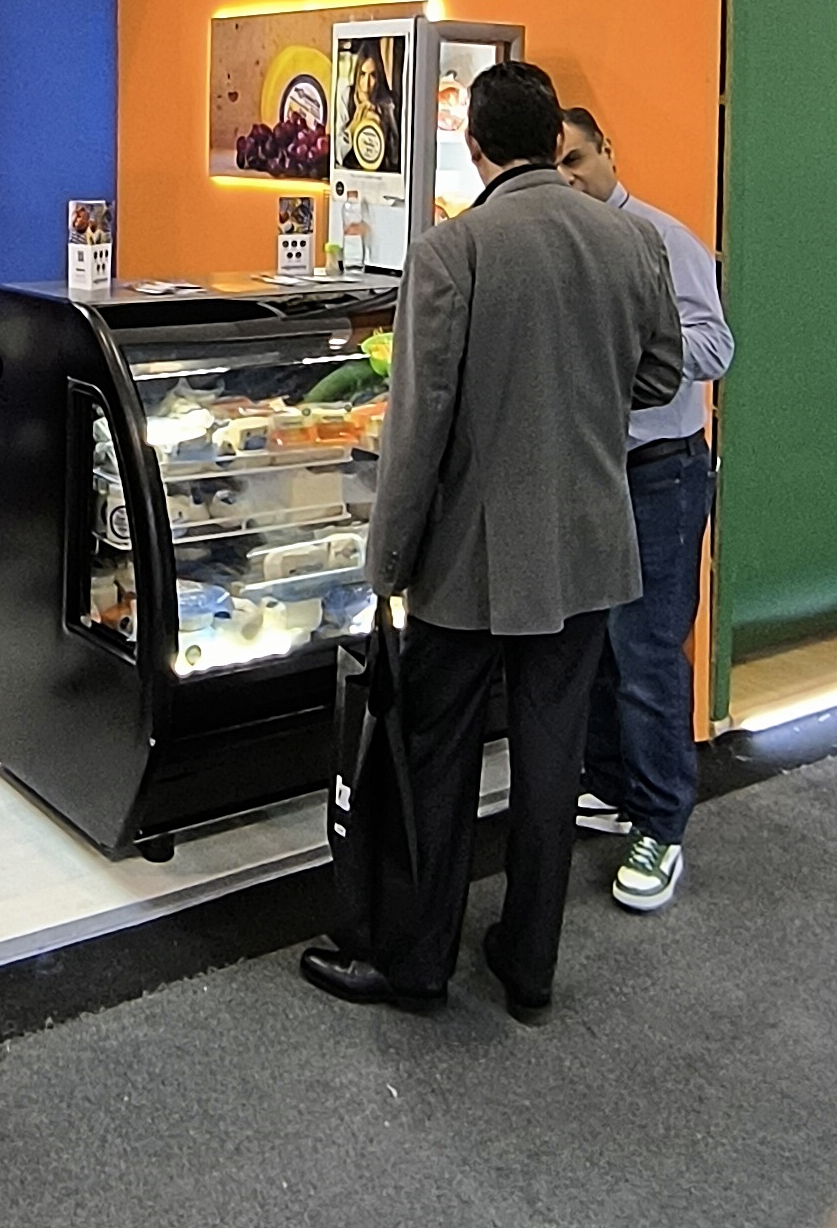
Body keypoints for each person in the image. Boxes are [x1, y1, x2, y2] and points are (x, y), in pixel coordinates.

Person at [301, 61, 682, 1023]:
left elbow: (418, 426)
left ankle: (417, 960)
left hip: (468, 554)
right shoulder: (631, 239)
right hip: (589, 545)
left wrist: (387, 561)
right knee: (553, 761)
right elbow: (662, 374)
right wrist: (580, 401)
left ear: (473, 147)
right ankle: (529, 963)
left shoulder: (451, 251)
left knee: (437, 756)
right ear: (557, 140)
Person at [559, 107, 735, 912]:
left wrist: (637, 347)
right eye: (556, 167)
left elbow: (716, 345)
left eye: (578, 160)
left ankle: (662, 824)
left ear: (608, 152)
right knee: (596, 644)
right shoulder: (561, 250)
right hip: (591, 473)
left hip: (661, 475)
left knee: (648, 653)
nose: (569, 179)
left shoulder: (665, 240)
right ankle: (609, 786)